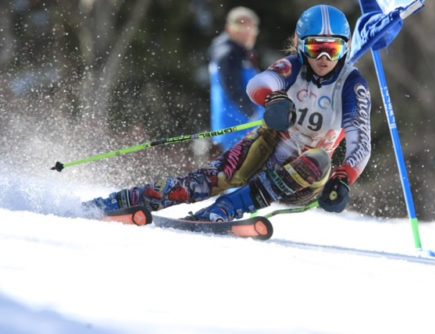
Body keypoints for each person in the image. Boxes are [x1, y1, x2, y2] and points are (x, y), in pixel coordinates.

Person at [85, 4, 371, 223]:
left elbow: (361, 143)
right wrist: (276, 99)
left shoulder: (351, 84)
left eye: (332, 49)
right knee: (205, 181)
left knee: (319, 158)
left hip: (303, 179)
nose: (323, 59)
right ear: (299, 45)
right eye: (315, 48)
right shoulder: (293, 66)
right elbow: (258, 84)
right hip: (269, 148)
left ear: (344, 49)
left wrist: (344, 178)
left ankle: (226, 209)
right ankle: (120, 201)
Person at [208, 6, 264, 152]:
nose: (247, 33)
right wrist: (252, 113)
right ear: (229, 29)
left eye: (250, 29)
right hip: (238, 128)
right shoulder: (228, 54)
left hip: (246, 127)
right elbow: (232, 88)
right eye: (240, 27)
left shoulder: (243, 54)